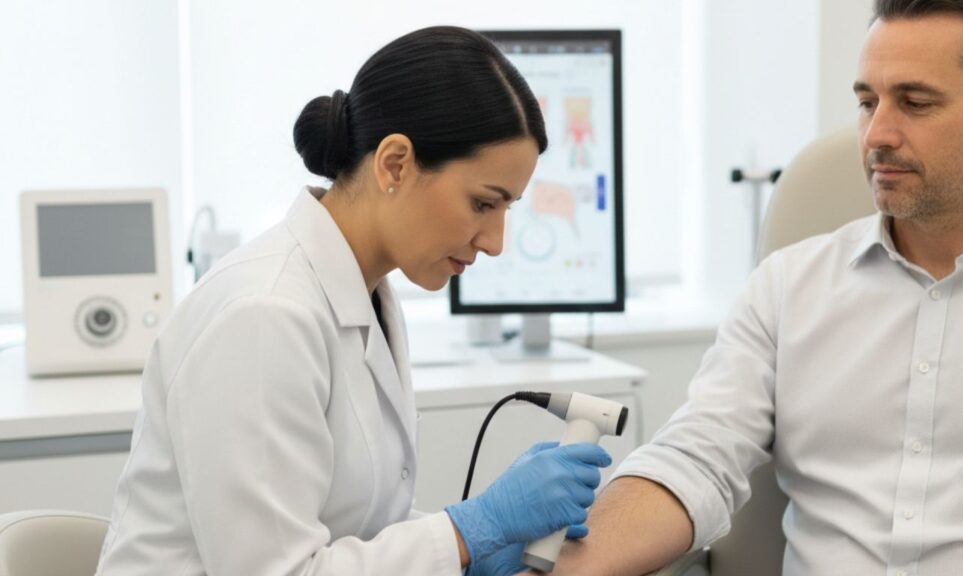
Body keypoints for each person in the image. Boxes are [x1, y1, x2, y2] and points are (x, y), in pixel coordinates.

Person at [94, 26, 611, 576]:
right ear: (394, 163)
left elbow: (350, 527)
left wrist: (472, 546)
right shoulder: (264, 315)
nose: (496, 241)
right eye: (484, 203)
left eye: (509, 209)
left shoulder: (367, 295)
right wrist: (469, 530)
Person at [536, 1, 963, 575]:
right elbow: (696, 457)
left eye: (915, 103)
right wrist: (555, 572)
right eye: (867, 102)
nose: (876, 134)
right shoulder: (788, 288)